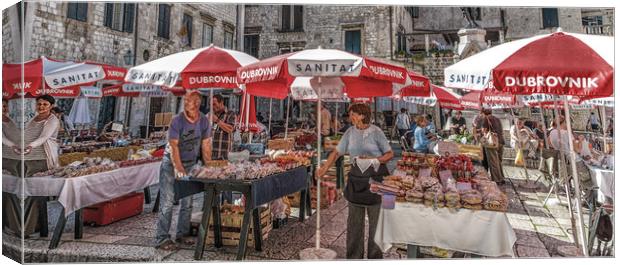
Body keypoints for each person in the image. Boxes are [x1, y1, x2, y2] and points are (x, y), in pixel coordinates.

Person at [316, 103, 393, 259]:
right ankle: (354, 257)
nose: (350, 117)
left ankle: (375, 258)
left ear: (363, 115)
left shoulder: (376, 132)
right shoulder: (350, 132)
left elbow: (389, 154)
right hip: (356, 181)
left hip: (376, 181)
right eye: (350, 114)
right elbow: (336, 153)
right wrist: (323, 169)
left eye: (353, 114)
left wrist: (373, 159)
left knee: (376, 224)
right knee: (354, 224)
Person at [156, 90, 212, 251]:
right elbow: (173, 147)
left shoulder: (204, 122)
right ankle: (162, 238)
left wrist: (210, 168)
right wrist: (179, 169)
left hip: (190, 163)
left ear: (198, 103)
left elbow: (206, 146)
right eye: (186, 101)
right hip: (170, 163)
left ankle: (182, 233)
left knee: (188, 201)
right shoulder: (177, 121)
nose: (188, 104)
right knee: (167, 201)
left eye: (192, 101)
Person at [209, 94, 237, 204]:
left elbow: (230, 129)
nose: (213, 107)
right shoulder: (210, 115)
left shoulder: (230, 114)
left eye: (215, 104)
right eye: (211, 105)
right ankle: (212, 209)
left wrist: (217, 121)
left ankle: (226, 208)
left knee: (226, 186)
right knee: (212, 185)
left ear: (221, 103)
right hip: (212, 155)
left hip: (225, 155)